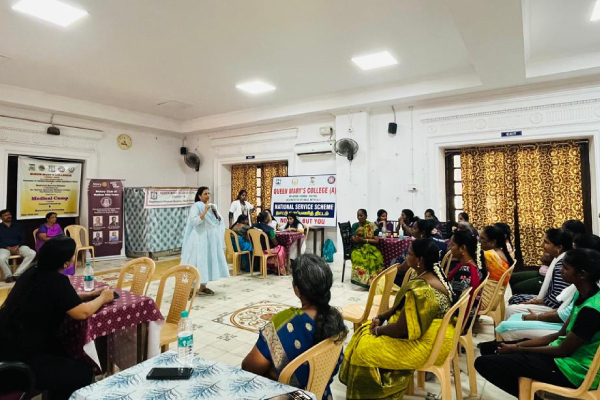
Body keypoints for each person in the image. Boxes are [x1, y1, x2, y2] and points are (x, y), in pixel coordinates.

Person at [0, 236, 115, 400]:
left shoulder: (32, 273)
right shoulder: (56, 280)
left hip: (8, 347)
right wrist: (103, 297)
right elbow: (82, 313)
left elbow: (57, 297)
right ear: (65, 263)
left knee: (65, 352)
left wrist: (86, 295)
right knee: (83, 373)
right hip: (19, 366)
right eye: (73, 254)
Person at [475, 248, 600, 398]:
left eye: (566, 268)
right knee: (489, 348)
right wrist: (517, 346)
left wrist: (518, 348)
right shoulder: (582, 295)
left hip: (573, 371)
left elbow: (563, 350)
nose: (561, 270)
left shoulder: (591, 310)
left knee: (484, 363)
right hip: (563, 357)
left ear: (582, 274)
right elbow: (559, 335)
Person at [339, 238, 455, 399]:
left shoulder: (423, 290)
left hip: (429, 346)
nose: (406, 257)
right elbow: (401, 306)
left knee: (364, 350)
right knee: (364, 331)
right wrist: (381, 317)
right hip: (436, 336)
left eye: (409, 254)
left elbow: (402, 330)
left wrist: (378, 330)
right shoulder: (431, 274)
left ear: (420, 260)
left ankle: (376, 395)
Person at [242, 254, 348, 399]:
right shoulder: (335, 318)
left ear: (297, 290)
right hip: (319, 394)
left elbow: (249, 367)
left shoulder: (285, 321)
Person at [495, 234, 600, 341]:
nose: (571, 252)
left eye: (575, 249)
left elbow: (563, 336)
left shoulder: (589, 295)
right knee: (512, 313)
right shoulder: (581, 288)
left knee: (508, 326)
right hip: (559, 317)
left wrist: (537, 316)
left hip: (559, 320)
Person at [506, 228, 572, 318]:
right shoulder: (559, 258)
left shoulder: (562, 264)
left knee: (510, 308)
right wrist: (535, 300)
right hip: (550, 301)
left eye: (546, 242)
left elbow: (557, 299)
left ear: (559, 247)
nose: (542, 245)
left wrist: (536, 301)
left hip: (554, 307)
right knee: (515, 298)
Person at [181, 186, 229, 295]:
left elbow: (218, 221)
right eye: (205, 194)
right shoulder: (196, 206)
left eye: (208, 193)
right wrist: (204, 212)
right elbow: (194, 222)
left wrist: (215, 212)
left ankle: (203, 286)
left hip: (209, 239)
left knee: (206, 261)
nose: (208, 196)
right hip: (198, 238)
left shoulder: (212, 206)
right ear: (199, 196)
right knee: (195, 261)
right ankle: (189, 288)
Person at [447, 230, 487, 323]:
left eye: (452, 245)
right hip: (471, 316)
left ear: (462, 248)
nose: (449, 248)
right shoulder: (475, 266)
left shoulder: (464, 271)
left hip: (460, 320)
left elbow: (454, 299)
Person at [350, 209, 383, 288]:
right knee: (358, 258)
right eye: (358, 216)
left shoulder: (372, 225)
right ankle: (363, 281)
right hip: (357, 248)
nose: (359, 217)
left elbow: (376, 240)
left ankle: (373, 280)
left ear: (366, 216)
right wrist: (356, 237)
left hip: (370, 247)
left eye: (361, 215)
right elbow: (353, 239)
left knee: (377, 256)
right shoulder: (355, 226)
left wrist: (363, 240)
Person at [0, 210, 35, 283]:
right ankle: (8, 276)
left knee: (32, 253)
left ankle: (17, 274)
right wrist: (7, 247)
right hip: (4, 248)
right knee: (1, 258)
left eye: (9, 214)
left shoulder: (18, 226)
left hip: (18, 247)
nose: (8, 216)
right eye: (5, 215)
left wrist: (18, 245)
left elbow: (23, 238)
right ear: (1, 218)